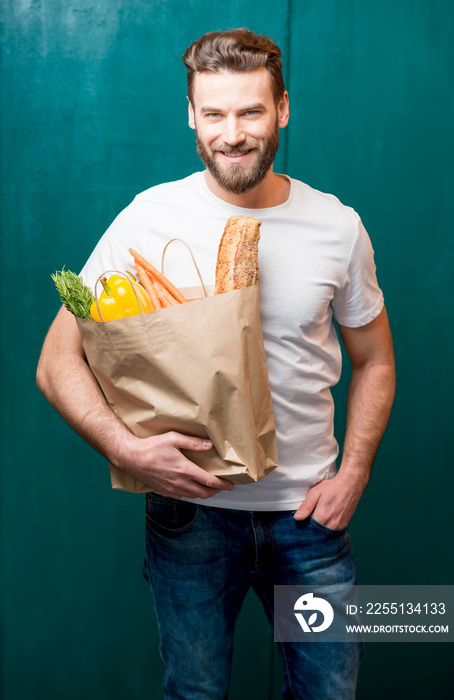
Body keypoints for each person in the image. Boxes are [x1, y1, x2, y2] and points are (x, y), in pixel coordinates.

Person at [37, 28, 395, 700]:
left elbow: (374, 359)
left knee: (328, 696)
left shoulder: (337, 226)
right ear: (192, 116)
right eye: (214, 114)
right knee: (196, 695)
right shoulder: (148, 219)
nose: (233, 133)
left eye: (252, 112)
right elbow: (57, 361)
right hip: (190, 521)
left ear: (283, 110)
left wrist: (355, 471)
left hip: (310, 520)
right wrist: (125, 448)